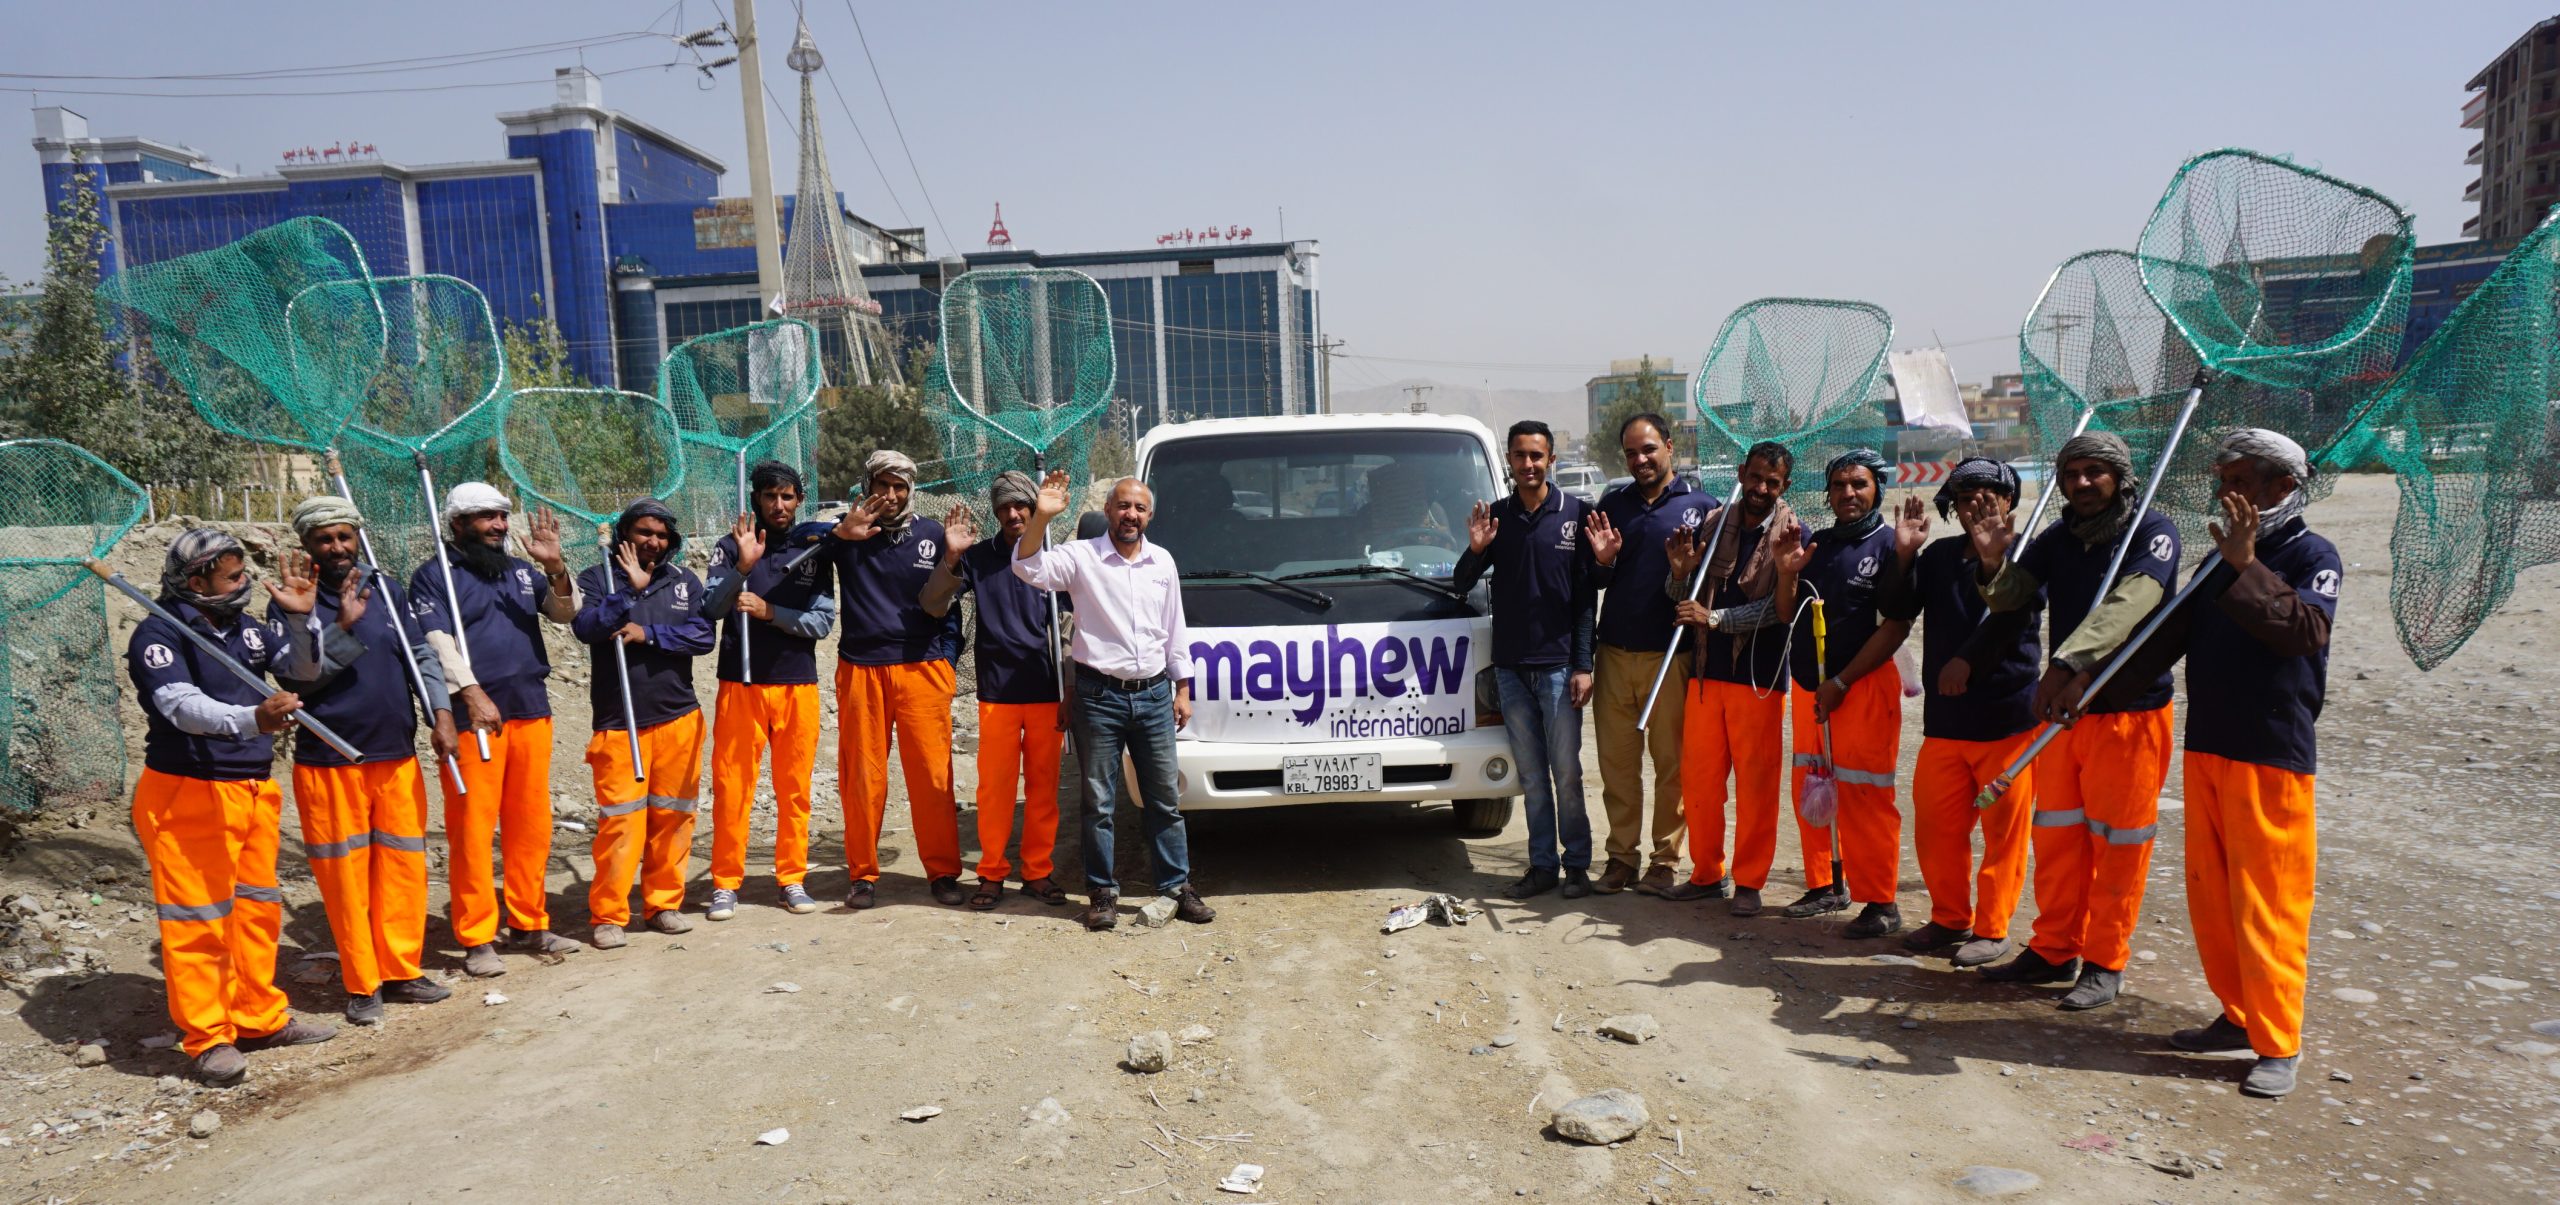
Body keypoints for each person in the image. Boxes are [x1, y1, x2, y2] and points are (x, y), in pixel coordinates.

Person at [2099, 430, 2341, 1098]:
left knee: (2268, 902)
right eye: (2223, 480)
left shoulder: (2312, 554)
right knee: (2214, 897)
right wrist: (2090, 690)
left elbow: (2304, 632)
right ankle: (2238, 1014)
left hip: (2270, 752)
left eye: (2240, 480)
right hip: (2207, 744)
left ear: (2282, 487)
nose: (2225, 492)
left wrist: (2246, 565)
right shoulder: (2216, 558)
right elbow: (2166, 638)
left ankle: (2277, 1040)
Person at [1961, 431, 2181, 1011]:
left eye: (2094, 472)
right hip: (2065, 715)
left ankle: (2105, 962)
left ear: (2120, 477)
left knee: (2118, 846)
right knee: (2058, 837)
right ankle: (2055, 949)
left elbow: (2129, 607)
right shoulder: (2060, 537)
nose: (2081, 483)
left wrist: (2064, 666)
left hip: (2127, 713)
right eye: (2071, 473)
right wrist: (1992, 559)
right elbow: (2010, 597)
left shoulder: (2152, 533)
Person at [127, 530, 337, 1084]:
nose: (244, 584)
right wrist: (251, 720)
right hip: (188, 790)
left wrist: (299, 620)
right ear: (197, 582)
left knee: (254, 910)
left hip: (251, 787)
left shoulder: (244, 627)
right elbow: (179, 705)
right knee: (198, 919)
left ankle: (257, 1017)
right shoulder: (159, 632)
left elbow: (303, 671)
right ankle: (208, 1036)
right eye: (234, 576)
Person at [267, 496, 457, 1025]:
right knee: (345, 878)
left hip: (395, 754)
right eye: (324, 539)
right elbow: (296, 679)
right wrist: (343, 629)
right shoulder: (290, 600)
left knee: (402, 868)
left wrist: (441, 713)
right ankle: (362, 982)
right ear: (307, 545)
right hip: (329, 760)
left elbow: (420, 655)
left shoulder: (386, 590)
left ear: (357, 538)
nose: (336, 547)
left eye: (344, 536)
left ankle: (401, 970)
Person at [1013, 471, 1216, 931]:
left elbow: (1175, 630)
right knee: (1099, 803)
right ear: (1107, 510)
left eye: (1140, 508)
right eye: (1123, 505)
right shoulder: (1081, 557)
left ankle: (1176, 887)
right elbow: (1027, 567)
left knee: (1165, 800)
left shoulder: (1162, 562)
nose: (1131, 514)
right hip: (1098, 697)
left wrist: (1183, 689)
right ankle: (1102, 893)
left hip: (1154, 696)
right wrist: (1041, 517)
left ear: (1150, 515)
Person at [412, 483, 582, 976]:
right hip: (475, 721)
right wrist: (471, 692)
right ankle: (477, 936)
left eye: (503, 516)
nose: (499, 525)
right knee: (472, 829)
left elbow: (565, 613)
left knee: (530, 826)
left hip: (531, 710)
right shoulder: (434, 576)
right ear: (458, 523)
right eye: (487, 517)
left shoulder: (520, 572)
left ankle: (529, 923)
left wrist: (555, 567)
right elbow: (436, 641)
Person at [1761, 450, 1923, 936]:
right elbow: (1787, 613)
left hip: (1862, 690)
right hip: (1812, 688)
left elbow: (1895, 626)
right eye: (1838, 485)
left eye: (1859, 484)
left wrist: (1842, 682)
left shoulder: (1891, 546)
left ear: (1878, 488)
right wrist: (1785, 572)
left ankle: (1881, 902)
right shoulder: (1820, 544)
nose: (1848, 493)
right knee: (1812, 785)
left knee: (1863, 794)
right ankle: (1825, 884)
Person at [1451, 420, 1612, 899]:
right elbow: (1462, 582)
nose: (1528, 464)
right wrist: (1476, 550)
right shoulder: (1498, 517)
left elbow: (1586, 599)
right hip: (1510, 670)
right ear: (1509, 460)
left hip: (1560, 670)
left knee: (1567, 774)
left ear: (1551, 459)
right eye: (1520, 455)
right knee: (1533, 778)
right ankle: (1542, 867)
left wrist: (1583, 665)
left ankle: (1576, 866)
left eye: (1537, 456)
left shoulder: (1577, 514)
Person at [1900, 459, 2043, 966]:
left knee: (2004, 835)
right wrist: (1903, 555)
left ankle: (1992, 927)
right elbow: (1898, 608)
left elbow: (2015, 616)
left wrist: (1967, 659)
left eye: (1988, 497)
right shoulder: (1939, 556)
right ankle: (1949, 917)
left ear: (2010, 500)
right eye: (1965, 499)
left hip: (2006, 720)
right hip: (1946, 721)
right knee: (1937, 828)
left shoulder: (2027, 552)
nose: (1976, 507)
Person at [921, 471, 1072, 910]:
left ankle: (1038, 872)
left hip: (1047, 691)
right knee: (994, 791)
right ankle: (991, 873)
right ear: (995, 512)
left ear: (1033, 508)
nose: (1013, 513)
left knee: (1044, 790)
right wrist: (952, 557)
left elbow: (1071, 628)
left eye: (1020, 505)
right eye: (1004, 507)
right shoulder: (980, 557)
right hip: (997, 693)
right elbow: (933, 604)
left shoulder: (1055, 557)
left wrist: (1070, 689)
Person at [1659, 442, 1795, 916]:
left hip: (1758, 680)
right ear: (1740, 473)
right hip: (1705, 675)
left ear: (1784, 486)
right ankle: (1706, 873)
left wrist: (1716, 619)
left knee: (1756, 787)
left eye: (1772, 482)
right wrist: (1679, 575)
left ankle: (1750, 882)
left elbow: (1778, 610)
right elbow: (1684, 597)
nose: (1760, 489)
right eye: (1755, 477)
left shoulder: (1791, 534)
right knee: (1700, 784)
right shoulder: (1715, 524)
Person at [572, 498, 715, 948]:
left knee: (674, 818)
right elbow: (586, 627)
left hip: (679, 717)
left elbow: (703, 635)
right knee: (621, 823)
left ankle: (663, 905)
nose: (653, 541)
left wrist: (648, 634)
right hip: (620, 723)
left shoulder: (683, 580)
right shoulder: (597, 578)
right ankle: (609, 915)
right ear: (625, 535)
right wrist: (629, 594)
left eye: (661, 535)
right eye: (644, 532)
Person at [827, 450, 966, 909]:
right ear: (867, 485)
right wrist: (837, 534)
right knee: (862, 778)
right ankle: (863, 875)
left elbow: (950, 607)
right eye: (882, 485)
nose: (890, 495)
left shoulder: (932, 535)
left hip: (923, 668)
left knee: (932, 775)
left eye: (899, 486)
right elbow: (799, 543)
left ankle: (943, 872)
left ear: (911, 490)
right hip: (861, 668)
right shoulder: (847, 531)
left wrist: (947, 661)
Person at [698, 461, 836, 921]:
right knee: (732, 787)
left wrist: (769, 611)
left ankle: (791, 878)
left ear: (799, 500)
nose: (779, 505)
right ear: (756, 498)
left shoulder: (812, 549)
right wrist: (743, 566)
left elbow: (821, 622)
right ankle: (725, 883)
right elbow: (711, 608)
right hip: (742, 683)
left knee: (794, 789)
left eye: (787, 496)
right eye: (770, 496)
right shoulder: (730, 546)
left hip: (797, 685)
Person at [1586, 412, 1688, 895]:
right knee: (1618, 766)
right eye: (1630, 453)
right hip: (1613, 654)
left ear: (1669, 446)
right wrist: (1602, 562)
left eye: (1648, 449)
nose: (1640, 459)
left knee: (1672, 767)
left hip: (1669, 659)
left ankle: (1664, 861)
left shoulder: (1701, 507)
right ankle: (1621, 858)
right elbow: (1593, 579)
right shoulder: (1613, 506)